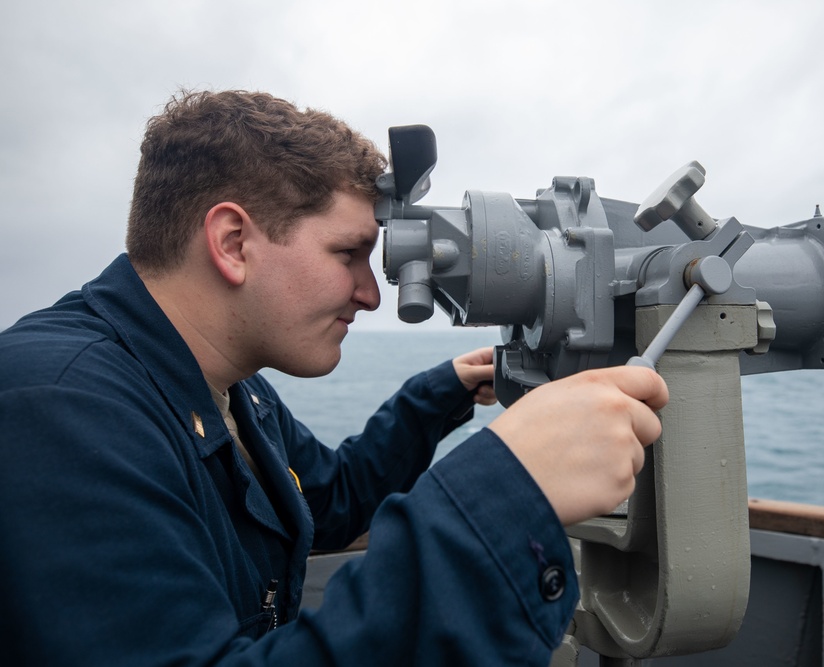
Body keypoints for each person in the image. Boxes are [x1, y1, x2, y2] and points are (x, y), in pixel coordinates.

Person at [0, 90, 668, 666]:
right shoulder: (59, 409)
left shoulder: (225, 389)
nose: (371, 294)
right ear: (233, 242)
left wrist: (444, 391)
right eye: (348, 253)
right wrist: (508, 490)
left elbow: (328, 502)